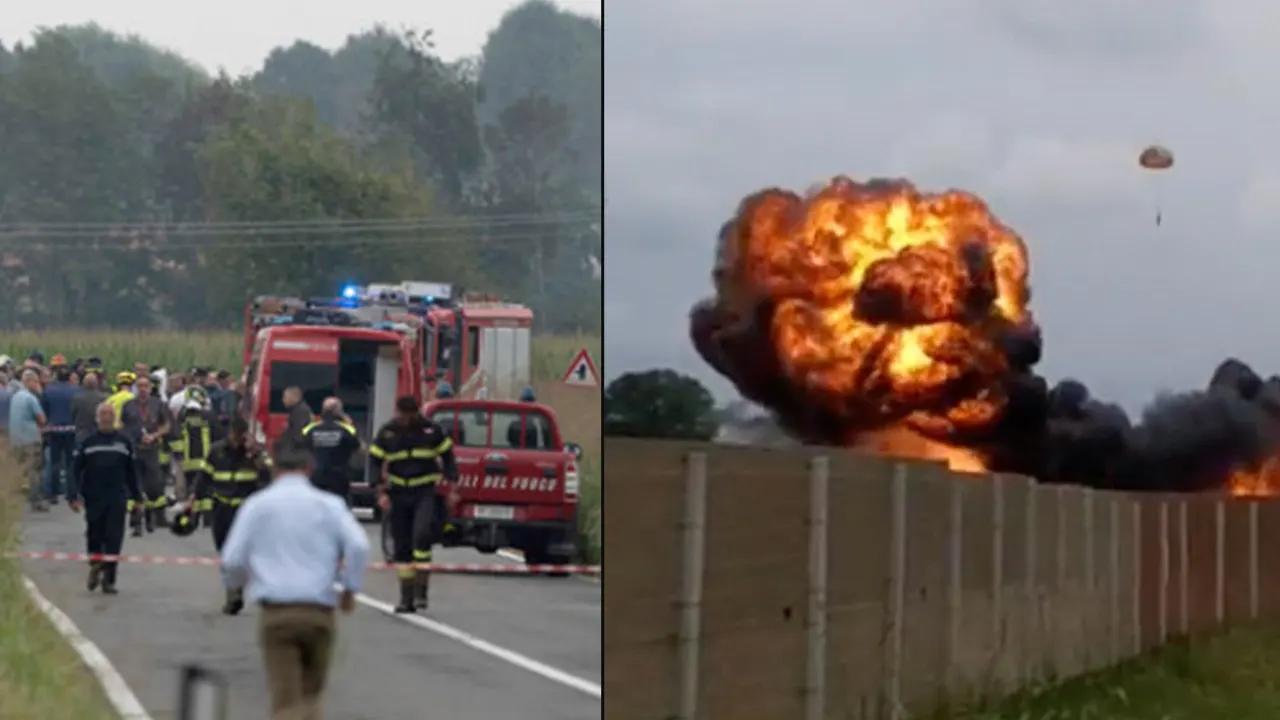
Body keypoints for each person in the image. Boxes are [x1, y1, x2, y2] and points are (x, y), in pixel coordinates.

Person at [220, 442, 368, 720]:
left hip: (278, 614)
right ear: (309, 469)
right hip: (319, 613)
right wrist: (350, 590)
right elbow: (359, 546)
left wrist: (240, 584)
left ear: (274, 469)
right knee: (311, 698)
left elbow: (231, 560)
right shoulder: (329, 505)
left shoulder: (257, 505)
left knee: (286, 702)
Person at [369, 396, 458, 613]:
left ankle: (421, 592)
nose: (403, 419)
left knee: (421, 535)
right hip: (398, 493)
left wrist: (452, 486)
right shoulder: (388, 432)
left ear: (416, 413)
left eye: (408, 415)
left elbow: (448, 457)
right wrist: (379, 491)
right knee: (402, 546)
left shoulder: (431, 431)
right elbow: (374, 461)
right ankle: (405, 598)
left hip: (424, 492)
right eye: (400, 414)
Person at [191, 416, 271, 614]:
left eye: (241, 436)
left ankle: (239, 591)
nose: (237, 440)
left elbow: (268, 475)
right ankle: (233, 591)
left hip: (245, 510)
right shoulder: (217, 450)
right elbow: (205, 476)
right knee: (226, 552)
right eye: (235, 435)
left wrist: (255, 454)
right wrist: (194, 498)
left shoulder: (254, 452)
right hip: (222, 508)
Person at [69, 402, 143, 595]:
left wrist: (138, 497)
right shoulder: (88, 441)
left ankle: (109, 580)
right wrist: (73, 495)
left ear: (115, 418)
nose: (106, 418)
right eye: (103, 414)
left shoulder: (124, 441)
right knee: (94, 533)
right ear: (97, 418)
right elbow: (76, 470)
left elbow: (132, 472)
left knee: (114, 538)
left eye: (110, 414)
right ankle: (95, 563)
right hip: (93, 496)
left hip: (117, 496)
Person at [123, 375, 172, 535]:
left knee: (153, 486)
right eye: (140, 386)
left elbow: (166, 425)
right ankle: (136, 522)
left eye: (146, 386)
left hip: (152, 450)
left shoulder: (158, 404)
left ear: (150, 388)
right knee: (135, 486)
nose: (143, 389)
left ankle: (151, 518)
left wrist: (155, 435)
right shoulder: (128, 405)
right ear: (136, 388)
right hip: (135, 450)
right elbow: (123, 426)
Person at [301, 398, 361, 502]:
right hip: (338, 477)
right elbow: (358, 448)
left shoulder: (309, 429)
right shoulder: (347, 429)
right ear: (339, 411)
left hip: (316, 476)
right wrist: (350, 424)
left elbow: (300, 448)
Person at [178, 386, 219, 526]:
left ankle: (193, 518)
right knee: (207, 490)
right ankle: (208, 520)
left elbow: (176, 436)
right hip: (205, 460)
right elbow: (217, 436)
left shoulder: (182, 416)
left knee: (192, 489)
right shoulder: (209, 416)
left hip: (188, 461)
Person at [9, 369, 49, 511]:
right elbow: (42, 419)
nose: (37, 384)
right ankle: (36, 501)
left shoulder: (15, 397)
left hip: (16, 439)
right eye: (36, 381)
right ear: (29, 382)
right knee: (34, 470)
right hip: (30, 439)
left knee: (18, 471)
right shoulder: (30, 398)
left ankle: (13, 500)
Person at [40, 364, 80, 503]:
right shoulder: (76, 390)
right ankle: (71, 493)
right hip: (71, 430)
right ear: (69, 377)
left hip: (53, 429)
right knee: (70, 462)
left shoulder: (48, 390)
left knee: (54, 462)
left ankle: (53, 493)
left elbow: (44, 410)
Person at [72, 373, 108, 443]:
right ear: (96, 383)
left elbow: (73, 414)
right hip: (98, 432)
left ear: (84, 383)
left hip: (81, 433)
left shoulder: (77, 398)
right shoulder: (103, 398)